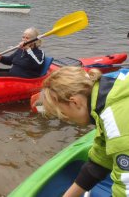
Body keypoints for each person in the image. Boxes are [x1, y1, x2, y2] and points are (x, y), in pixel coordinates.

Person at [40, 67, 129, 197]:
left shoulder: (115, 119)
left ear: (75, 102)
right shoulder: (106, 93)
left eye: (64, 114)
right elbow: (100, 159)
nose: (67, 120)